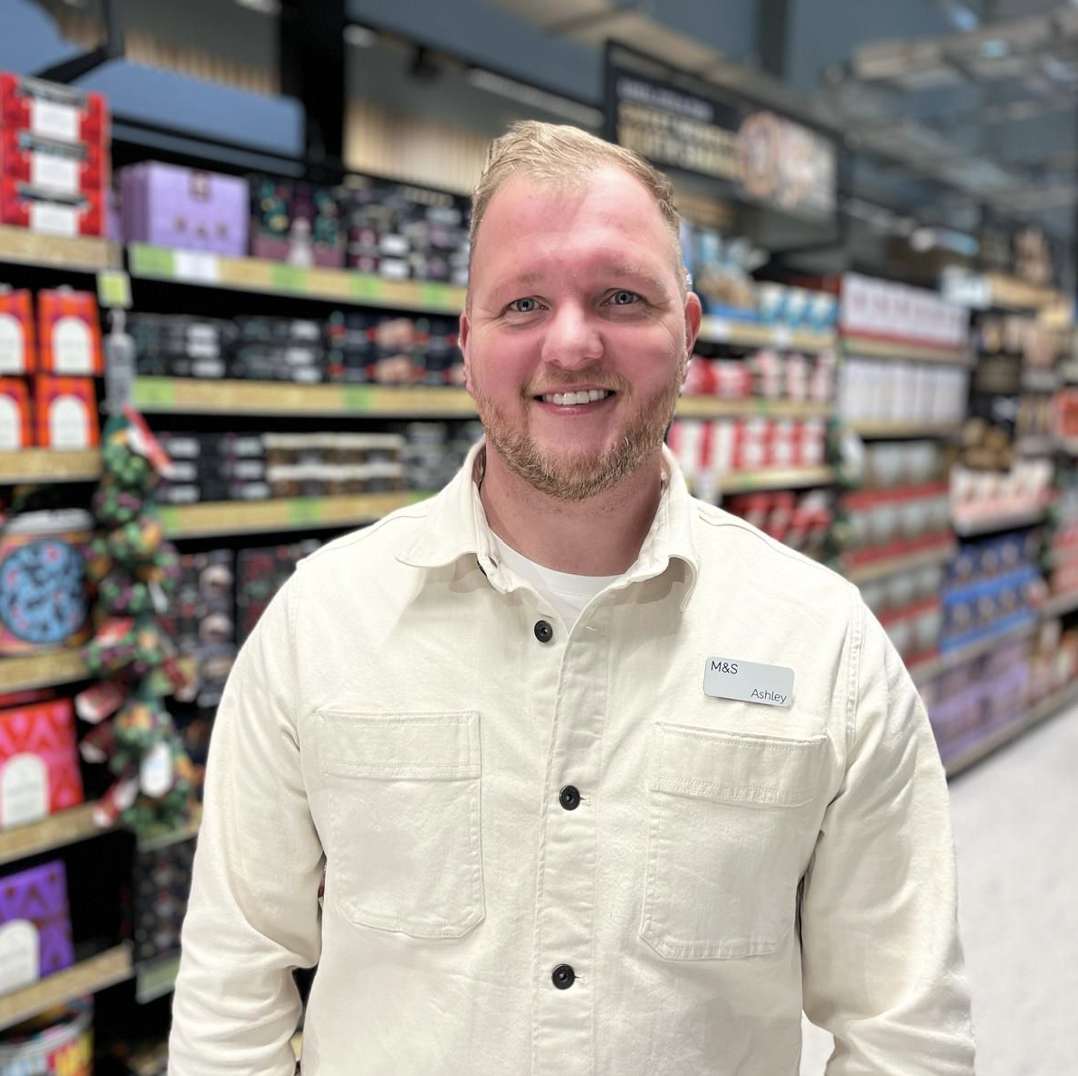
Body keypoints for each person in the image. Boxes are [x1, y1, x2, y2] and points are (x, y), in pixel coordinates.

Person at [169, 121, 975, 1075]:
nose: (572, 343)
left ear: (689, 333)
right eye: (522, 303)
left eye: (621, 297)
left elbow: (904, 1034)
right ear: (466, 344)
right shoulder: (321, 623)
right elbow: (233, 986)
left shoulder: (826, 647)